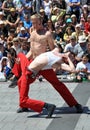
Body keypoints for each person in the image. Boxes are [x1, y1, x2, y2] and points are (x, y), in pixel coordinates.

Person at [8, 14, 83, 117]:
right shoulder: (32, 33)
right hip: (34, 64)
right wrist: (24, 59)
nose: (33, 25)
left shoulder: (47, 34)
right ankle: (24, 104)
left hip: (43, 64)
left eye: (35, 23)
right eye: (32, 22)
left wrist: (57, 63)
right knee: (21, 81)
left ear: (40, 21)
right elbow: (31, 51)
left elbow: (52, 51)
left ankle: (75, 104)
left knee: (57, 84)